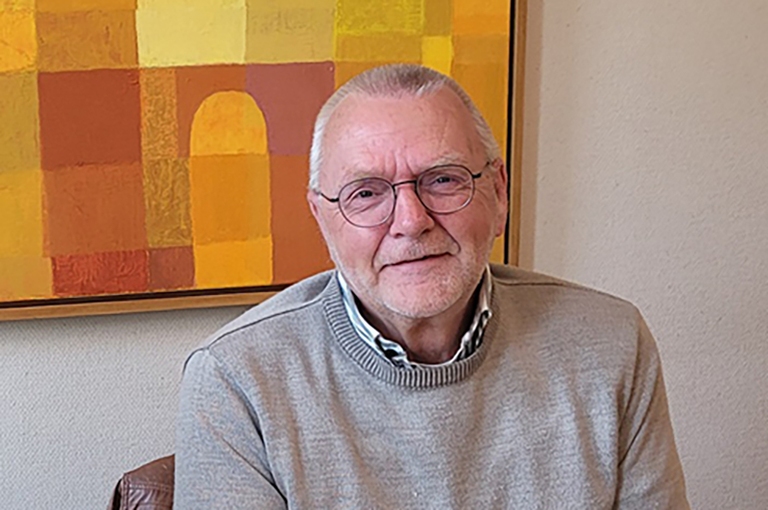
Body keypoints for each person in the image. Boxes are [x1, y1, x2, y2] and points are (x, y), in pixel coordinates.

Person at [174, 64, 689, 509]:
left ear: (499, 194)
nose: (411, 221)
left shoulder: (611, 344)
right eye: (366, 193)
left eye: (443, 179)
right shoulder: (236, 379)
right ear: (322, 219)